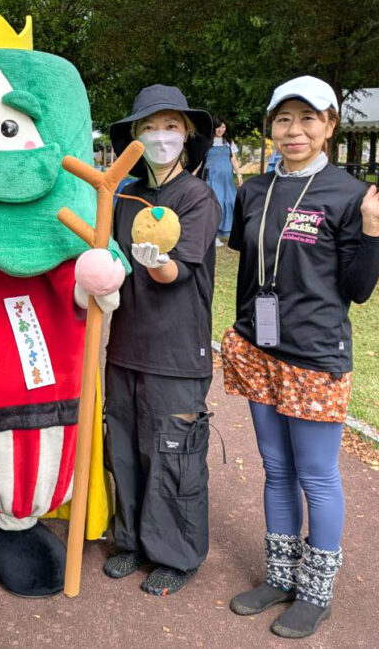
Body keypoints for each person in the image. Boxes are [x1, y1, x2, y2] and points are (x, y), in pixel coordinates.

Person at [221, 76, 379, 638]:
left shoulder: (349, 194)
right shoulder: (255, 190)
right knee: (276, 469)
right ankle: (280, 576)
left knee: (316, 476)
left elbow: (359, 289)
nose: (294, 130)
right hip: (259, 350)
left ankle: (316, 593)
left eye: (308, 118)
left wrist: (372, 226)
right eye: (283, 119)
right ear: (270, 127)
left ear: (329, 126)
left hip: (315, 357)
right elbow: (251, 266)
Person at [103, 84, 220, 596]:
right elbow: (106, 258)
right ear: (134, 136)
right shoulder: (124, 195)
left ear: (187, 134)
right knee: (125, 446)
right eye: (148, 127)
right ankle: (131, 540)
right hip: (125, 345)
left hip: (176, 351)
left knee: (173, 452)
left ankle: (176, 555)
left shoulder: (197, 196)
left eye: (170, 126)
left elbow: (178, 272)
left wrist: (158, 264)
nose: (160, 136)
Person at [206, 117, 244, 243]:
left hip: (226, 180)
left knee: (229, 202)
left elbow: (233, 159)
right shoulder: (207, 141)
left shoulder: (228, 142)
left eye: (223, 127)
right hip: (212, 178)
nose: (220, 129)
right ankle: (213, 235)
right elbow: (201, 160)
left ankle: (224, 232)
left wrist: (239, 175)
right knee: (215, 204)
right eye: (218, 127)